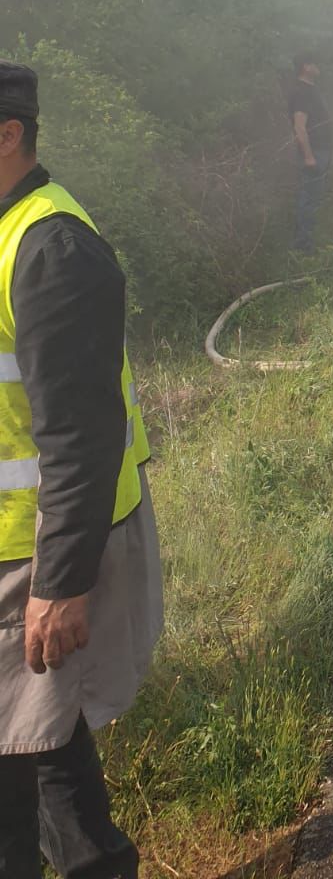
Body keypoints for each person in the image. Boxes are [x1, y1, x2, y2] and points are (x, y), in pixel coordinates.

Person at [0, 60, 162, 879]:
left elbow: (79, 434)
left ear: (9, 135)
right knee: (42, 743)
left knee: (25, 758)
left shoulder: (50, 248)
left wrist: (58, 585)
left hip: (32, 553)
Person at [288, 53, 333, 254]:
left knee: (314, 199)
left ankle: (309, 242)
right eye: (314, 62)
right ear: (306, 66)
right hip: (314, 153)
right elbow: (300, 127)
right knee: (308, 199)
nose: (318, 66)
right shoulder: (301, 92)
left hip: (321, 151)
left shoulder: (311, 90)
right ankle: (303, 247)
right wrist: (308, 156)